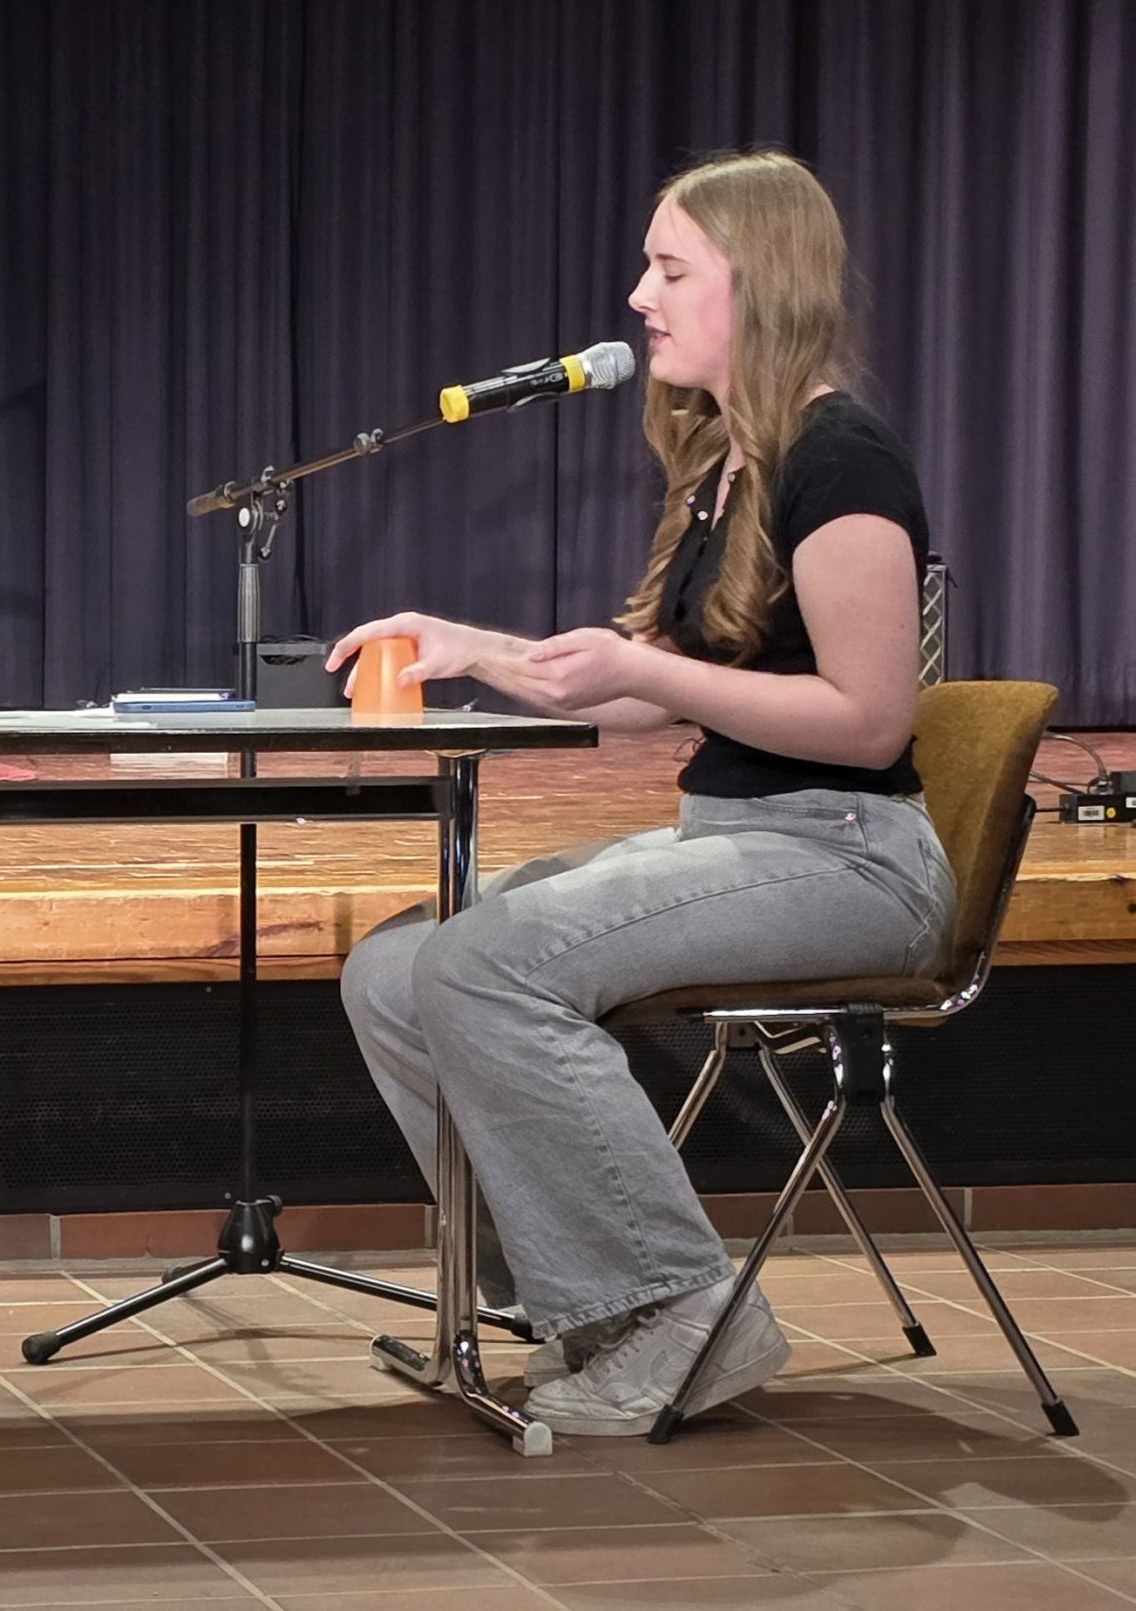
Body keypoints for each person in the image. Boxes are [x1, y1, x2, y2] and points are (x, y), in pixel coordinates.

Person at [327, 150, 952, 1436]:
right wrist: (472, 648)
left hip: (849, 858)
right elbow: (637, 689)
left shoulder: (840, 460)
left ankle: (679, 1313)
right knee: (392, 969)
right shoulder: (731, 460)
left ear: (759, 284)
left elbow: (868, 716)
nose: (637, 297)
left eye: (669, 270)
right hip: (739, 840)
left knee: (485, 963)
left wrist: (644, 669)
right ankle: (581, 1305)